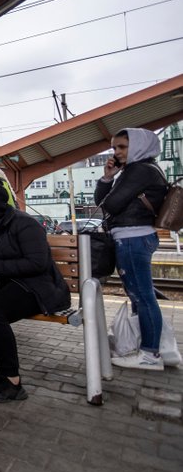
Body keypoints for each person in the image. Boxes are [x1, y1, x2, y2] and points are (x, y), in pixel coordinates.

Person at [0, 185, 71, 403]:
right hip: (8, 283)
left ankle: (12, 381)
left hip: (38, 288)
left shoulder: (24, 225)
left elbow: (37, 263)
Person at [95, 128, 169, 371]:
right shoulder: (140, 170)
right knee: (141, 297)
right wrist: (108, 177)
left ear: (138, 146)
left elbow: (112, 205)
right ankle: (154, 348)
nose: (116, 152)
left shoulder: (139, 170)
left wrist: (112, 189)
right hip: (133, 236)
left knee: (142, 297)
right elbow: (103, 203)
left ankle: (150, 354)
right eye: (114, 148)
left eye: (122, 147)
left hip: (132, 238)